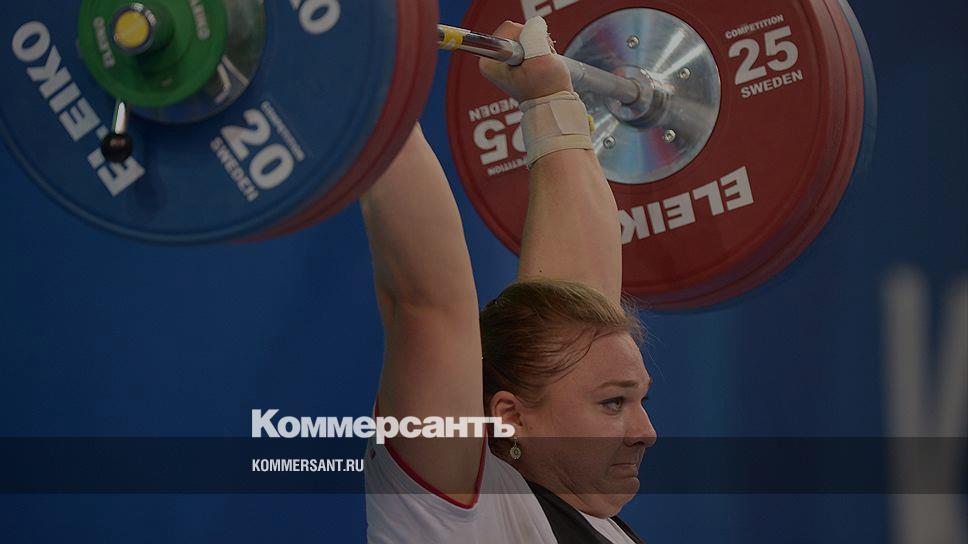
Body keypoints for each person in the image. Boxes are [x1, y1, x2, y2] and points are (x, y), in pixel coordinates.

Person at [361, 17, 656, 543]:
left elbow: (576, 300)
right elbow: (427, 304)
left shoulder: (586, 511)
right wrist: (366, 78)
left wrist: (549, 99)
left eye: (638, 401)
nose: (646, 433)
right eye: (614, 403)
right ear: (510, 417)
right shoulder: (463, 513)